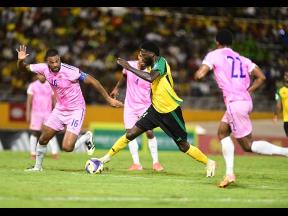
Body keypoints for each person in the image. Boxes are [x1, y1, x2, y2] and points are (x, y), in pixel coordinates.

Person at [99, 41, 216, 177]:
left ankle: (209, 162)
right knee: (130, 134)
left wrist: (129, 67)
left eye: (143, 54)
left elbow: (150, 78)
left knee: (183, 146)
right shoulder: (149, 66)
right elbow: (137, 74)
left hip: (170, 111)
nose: (141, 56)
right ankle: (105, 158)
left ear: (152, 54)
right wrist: (125, 76)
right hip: (155, 110)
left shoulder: (161, 62)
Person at [194, 29, 288, 188]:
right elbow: (261, 77)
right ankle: (229, 173)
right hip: (245, 101)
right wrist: (248, 90)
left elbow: (200, 75)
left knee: (247, 145)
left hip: (235, 103)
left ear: (217, 42)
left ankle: (285, 153)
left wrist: (200, 72)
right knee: (222, 132)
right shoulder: (241, 58)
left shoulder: (214, 55)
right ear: (231, 43)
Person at [16, 45, 123, 171]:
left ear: (60, 59)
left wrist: (108, 99)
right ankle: (37, 167)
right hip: (60, 109)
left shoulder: (71, 71)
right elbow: (22, 69)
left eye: (57, 61)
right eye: (52, 62)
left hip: (76, 110)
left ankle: (85, 137)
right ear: (47, 62)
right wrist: (20, 60)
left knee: (67, 147)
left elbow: (93, 81)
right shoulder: (43, 68)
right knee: (43, 138)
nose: (55, 64)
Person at [110, 55, 164, 171]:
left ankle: (156, 163)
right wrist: (116, 88)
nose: (143, 61)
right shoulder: (129, 65)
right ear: (139, 57)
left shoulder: (151, 71)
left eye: (146, 60)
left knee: (149, 132)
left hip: (145, 106)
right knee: (130, 134)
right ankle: (136, 164)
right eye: (142, 58)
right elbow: (124, 76)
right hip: (130, 106)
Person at [26, 73, 59, 160]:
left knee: (50, 132)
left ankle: (54, 153)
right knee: (34, 132)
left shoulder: (51, 85)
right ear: (37, 75)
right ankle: (33, 153)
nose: (42, 76)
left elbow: (54, 100)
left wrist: (56, 113)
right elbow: (29, 101)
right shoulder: (32, 86)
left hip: (48, 113)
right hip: (35, 113)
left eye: (43, 75)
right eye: (40, 75)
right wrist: (28, 114)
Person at [273, 71, 288, 137]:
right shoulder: (279, 91)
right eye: (286, 75)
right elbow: (278, 105)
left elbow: (278, 105)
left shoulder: (279, 90)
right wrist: (276, 115)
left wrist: (275, 116)